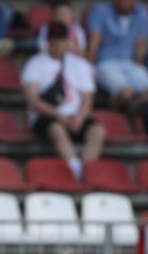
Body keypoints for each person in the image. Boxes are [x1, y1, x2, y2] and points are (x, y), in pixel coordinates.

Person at [21, 21, 105, 181]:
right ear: (47, 41)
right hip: (47, 114)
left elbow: (87, 98)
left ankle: (88, 170)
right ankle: (75, 168)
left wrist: (80, 118)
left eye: (60, 39)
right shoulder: (35, 64)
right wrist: (58, 115)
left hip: (73, 114)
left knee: (97, 131)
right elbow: (32, 100)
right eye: (53, 39)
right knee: (56, 129)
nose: (56, 43)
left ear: (67, 40)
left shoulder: (80, 65)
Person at [87, 0, 148, 110]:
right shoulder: (100, 11)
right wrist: (89, 69)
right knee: (126, 93)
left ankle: (124, 107)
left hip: (130, 64)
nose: (125, 1)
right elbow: (94, 42)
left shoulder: (141, 12)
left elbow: (141, 43)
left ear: (136, 0)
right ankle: (111, 106)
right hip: (106, 63)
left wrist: (138, 67)